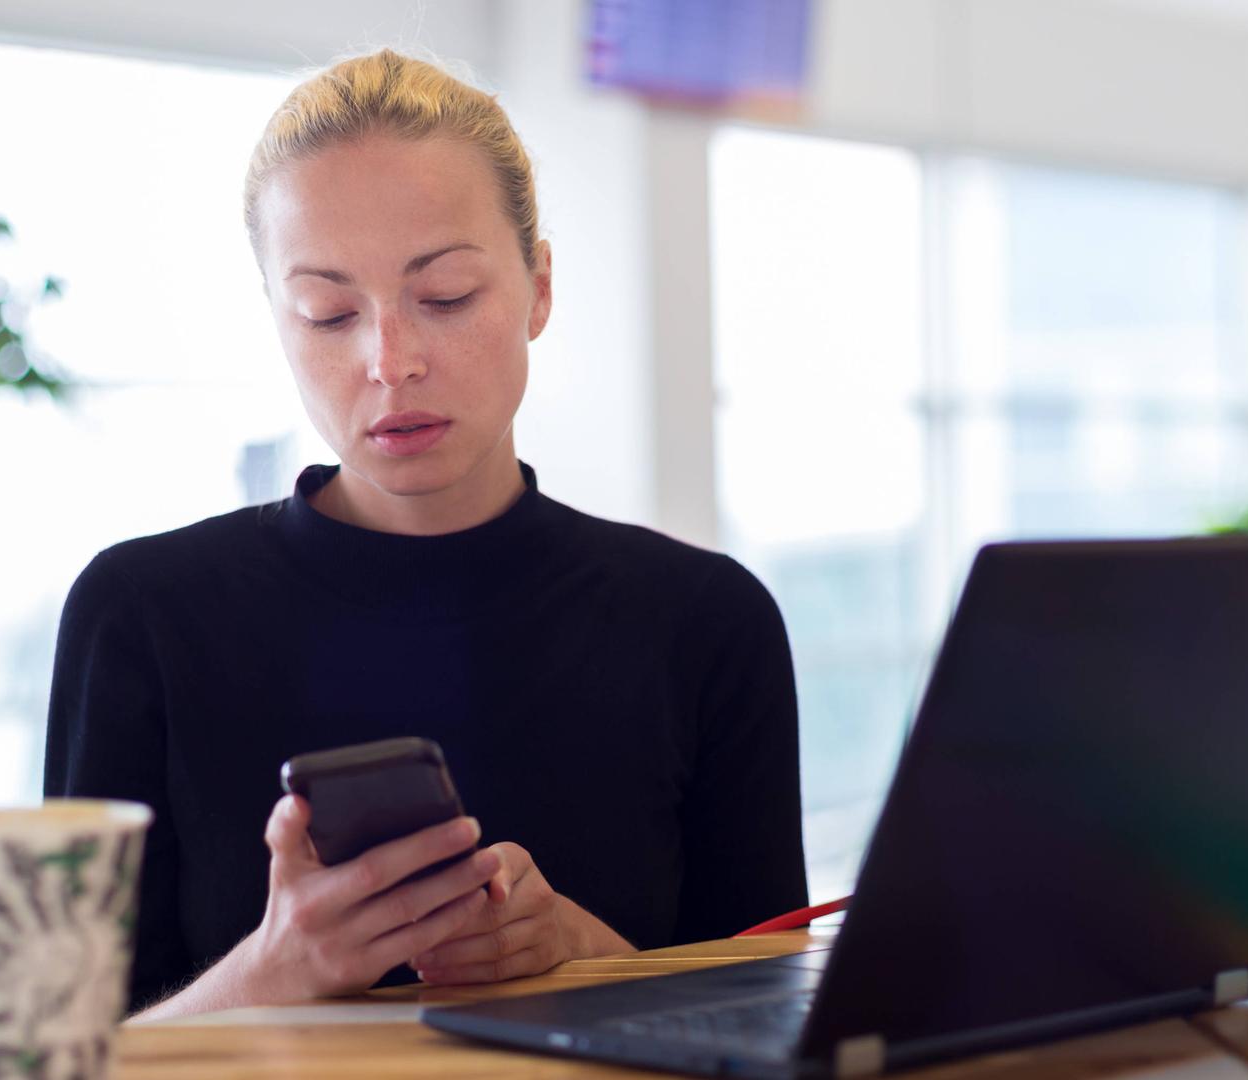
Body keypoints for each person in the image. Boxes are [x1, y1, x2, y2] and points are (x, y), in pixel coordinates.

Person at [43, 47, 805, 1021]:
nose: (389, 362)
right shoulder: (142, 614)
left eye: (444, 296)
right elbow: (56, 1055)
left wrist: (574, 949)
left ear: (537, 288)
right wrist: (275, 970)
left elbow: (777, 1031)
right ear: (277, 321)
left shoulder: (704, 622)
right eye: (327, 313)